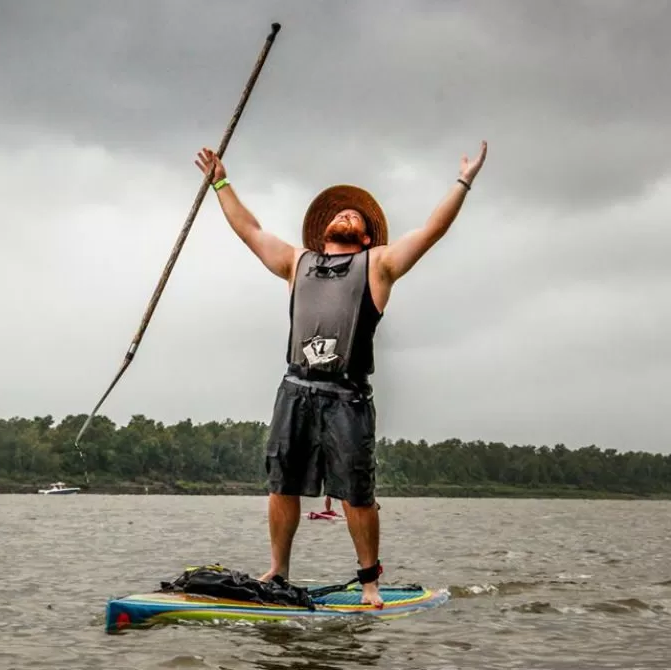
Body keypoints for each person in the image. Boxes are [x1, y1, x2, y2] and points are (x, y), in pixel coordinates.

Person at [194, 141, 487, 606]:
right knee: (281, 483)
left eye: (357, 218)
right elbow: (249, 230)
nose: (348, 217)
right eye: (342, 215)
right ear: (324, 229)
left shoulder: (380, 266)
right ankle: (279, 570)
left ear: (367, 237)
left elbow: (432, 230)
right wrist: (221, 182)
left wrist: (463, 182)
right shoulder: (296, 262)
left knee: (357, 494)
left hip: (347, 398)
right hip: (295, 390)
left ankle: (369, 582)